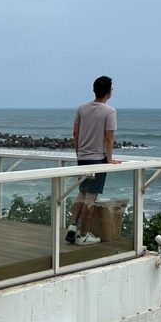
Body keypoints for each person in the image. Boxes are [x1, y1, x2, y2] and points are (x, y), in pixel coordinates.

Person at [66, 75, 121, 245]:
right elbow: (109, 138)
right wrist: (109, 159)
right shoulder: (109, 111)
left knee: (82, 194)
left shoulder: (82, 109)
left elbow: (75, 133)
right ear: (109, 93)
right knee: (90, 198)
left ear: (94, 90)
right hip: (98, 160)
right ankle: (83, 235)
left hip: (82, 158)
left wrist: (79, 154)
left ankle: (72, 227)